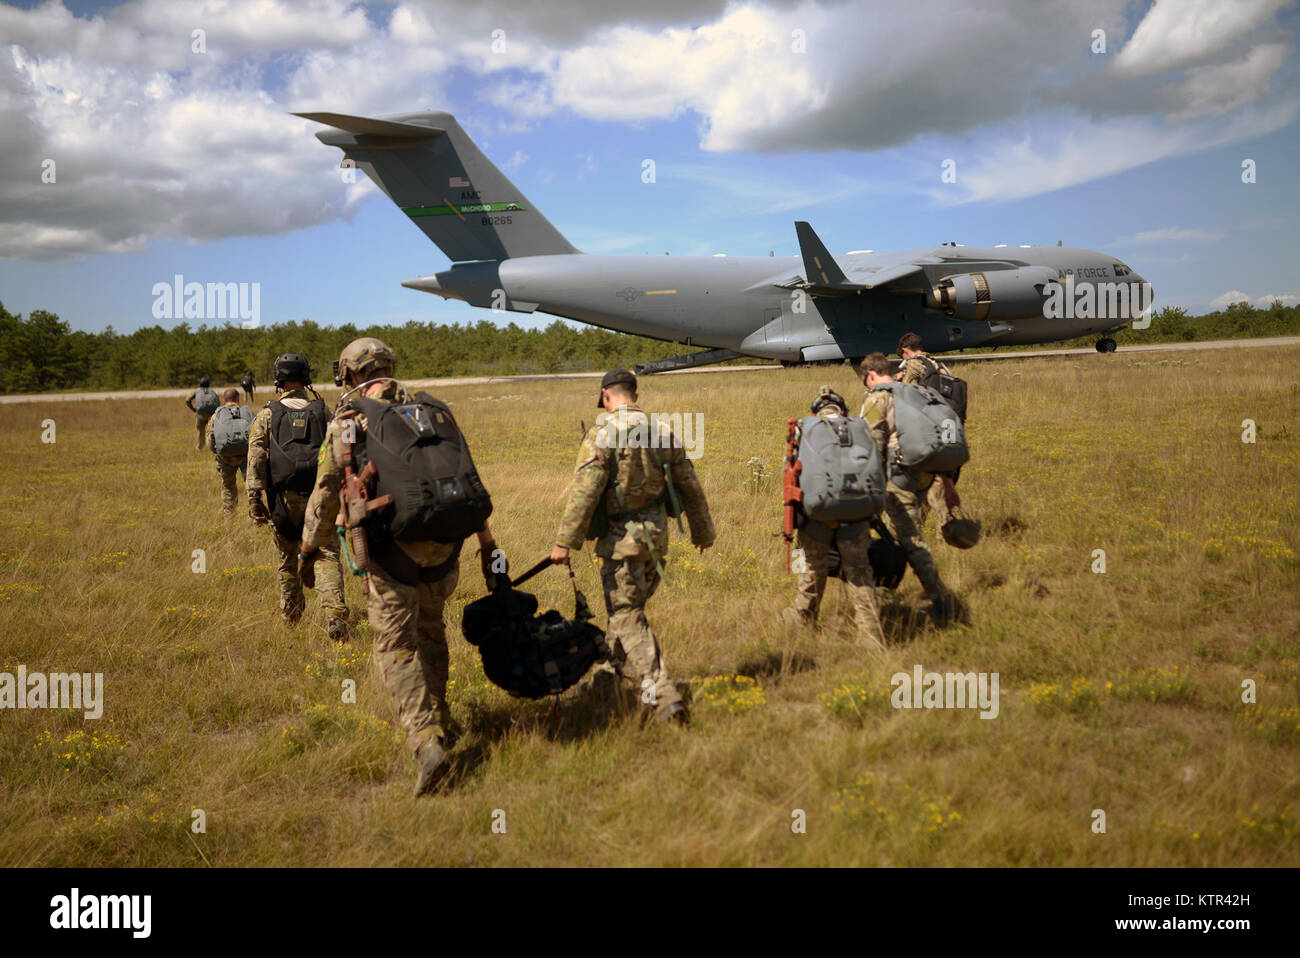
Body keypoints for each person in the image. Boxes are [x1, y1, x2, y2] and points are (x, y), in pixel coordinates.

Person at [299, 337, 503, 797]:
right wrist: (487, 543)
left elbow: (324, 496)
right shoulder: (431, 411)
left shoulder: (349, 423)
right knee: (432, 632)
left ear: (351, 375)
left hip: (391, 556)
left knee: (396, 647)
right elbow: (462, 476)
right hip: (446, 549)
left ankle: (426, 742)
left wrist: (309, 551)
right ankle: (443, 719)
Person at [549, 369, 715, 725]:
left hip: (621, 543)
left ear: (607, 396)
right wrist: (702, 531)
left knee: (625, 614)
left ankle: (663, 695)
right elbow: (690, 483)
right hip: (656, 539)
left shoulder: (602, 433)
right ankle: (607, 680)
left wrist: (565, 542)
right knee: (627, 613)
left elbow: (585, 491)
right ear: (634, 395)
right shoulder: (662, 431)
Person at [246, 353, 349, 640]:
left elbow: (256, 457)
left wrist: (255, 498)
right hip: (320, 498)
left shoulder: (267, 415)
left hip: (283, 501)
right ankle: (335, 616)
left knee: (287, 558)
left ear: (279, 379)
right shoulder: (322, 411)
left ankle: (291, 618)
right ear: (306, 378)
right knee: (327, 555)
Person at [781, 387, 885, 651]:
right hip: (858, 511)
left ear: (817, 411)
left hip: (819, 513)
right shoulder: (860, 428)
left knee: (813, 567)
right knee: (859, 571)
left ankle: (804, 618)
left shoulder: (805, 428)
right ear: (842, 411)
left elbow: (789, 471)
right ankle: (871, 635)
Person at [859, 353, 958, 622]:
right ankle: (885, 589)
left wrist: (866, 487)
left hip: (898, 476)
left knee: (911, 540)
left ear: (870, 375)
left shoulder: (878, 397)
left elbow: (871, 447)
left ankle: (941, 599)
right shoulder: (917, 392)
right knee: (897, 533)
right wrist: (947, 482)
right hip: (925, 474)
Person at [898, 332, 962, 520]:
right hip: (949, 430)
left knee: (919, 483)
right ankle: (946, 526)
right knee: (941, 482)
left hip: (927, 432)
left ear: (904, 351)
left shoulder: (914, 364)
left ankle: (920, 525)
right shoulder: (938, 364)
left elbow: (905, 393)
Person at [206, 388, 252, 517]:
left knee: (228, 487)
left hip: (225, 458)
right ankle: (255, 514)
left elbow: (210, 439)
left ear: (224, 400)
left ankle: (229, 517)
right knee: (251, 486)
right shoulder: (246, 412)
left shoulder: (217, 415)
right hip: (245, 456)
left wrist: (218, 452)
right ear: (238, 399)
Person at [185, 377, 220, 451]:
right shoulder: (212, 391)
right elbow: (218, 402)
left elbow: (187, 400)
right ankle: (212, 446)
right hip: (211, 414)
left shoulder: (197, 391)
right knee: (212, 431)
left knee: (201, 431)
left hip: (200, 414)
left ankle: (199, 447)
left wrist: (193, 409)